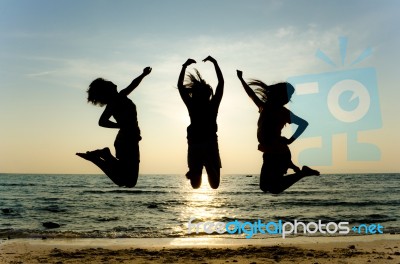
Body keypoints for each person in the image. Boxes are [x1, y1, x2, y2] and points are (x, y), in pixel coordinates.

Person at [237, 70, 319, 194]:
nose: (289, 99)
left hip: (278, 152)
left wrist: (291, 140)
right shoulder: (265, 107)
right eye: (289, 95)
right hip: (271, 151)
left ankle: (302, 172)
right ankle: (298, 170)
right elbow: (251, 94)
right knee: (267, 186)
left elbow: (304, 123)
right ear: (281, 95)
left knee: (271, 186)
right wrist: (241, 80)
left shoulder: (281, 112)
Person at [76, 67, 152, 187]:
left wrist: (143, 75)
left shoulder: (118, 98)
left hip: (127, 139)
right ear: (107, 89)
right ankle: (101, 157)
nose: (112, 82)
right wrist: (120, 125)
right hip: (127, 140)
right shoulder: (116, 100)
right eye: (108, 83)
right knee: (128, 181)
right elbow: (102, 122)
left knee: (126, 179)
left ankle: (105, 155)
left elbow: (133, 85)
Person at [177, 56, 224, 189]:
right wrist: (215, 63)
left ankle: (205, 162)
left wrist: (184, 66)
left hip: (198, 144)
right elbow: (221, 83)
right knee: (211, 185)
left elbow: (180, 87)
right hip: (205, 144)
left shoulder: (193, 105)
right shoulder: (210, 105)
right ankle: (207, 162)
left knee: (197, 185)